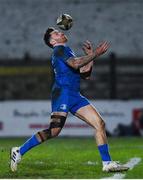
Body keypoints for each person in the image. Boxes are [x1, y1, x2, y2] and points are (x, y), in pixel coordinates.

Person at [10, 27, 129, 172]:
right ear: (53, 41)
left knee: (100, 124)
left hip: (74, 95)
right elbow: (76, 64)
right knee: (54, 131)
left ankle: (107, 163)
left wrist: (90, 55)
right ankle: (19, 151)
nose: (60, 32)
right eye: (56, 33)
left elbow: (85, 74)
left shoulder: (67, 51)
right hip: (63, 94)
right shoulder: (59, 50)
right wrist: (96, 54)